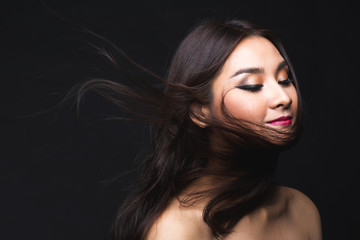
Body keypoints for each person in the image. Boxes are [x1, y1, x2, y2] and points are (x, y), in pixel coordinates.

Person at [87, 19, 322, 240]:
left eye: (284, 79)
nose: (282, 98)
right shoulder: (176, 230)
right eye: (252, 86)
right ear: (200, 111)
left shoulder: (301, 209)